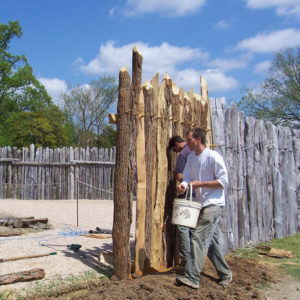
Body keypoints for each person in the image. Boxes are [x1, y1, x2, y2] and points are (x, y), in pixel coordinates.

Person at [175, 128, 232, 289]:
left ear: (199, 139)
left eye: (190, 139)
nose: (187, 142)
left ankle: (192, 277)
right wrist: (183, 186)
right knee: (210, 244)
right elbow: (186, 177)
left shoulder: (213, 156)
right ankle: (225, 273)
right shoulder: (191, 158)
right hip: (202, 203)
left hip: (214, 203)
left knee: (198, 237)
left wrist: (201, 184)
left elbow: (223, 181)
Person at [168, 135, 194, 264]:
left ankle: (186, 259)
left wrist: (180, 178)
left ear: (177, 144)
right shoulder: (195, 150)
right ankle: (196, 257)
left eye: (174, 149)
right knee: (194, 226)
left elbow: (180, 176)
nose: (175, 152)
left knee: (183, 226)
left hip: (187, 192)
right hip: (200, 193)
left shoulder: (183, 155)